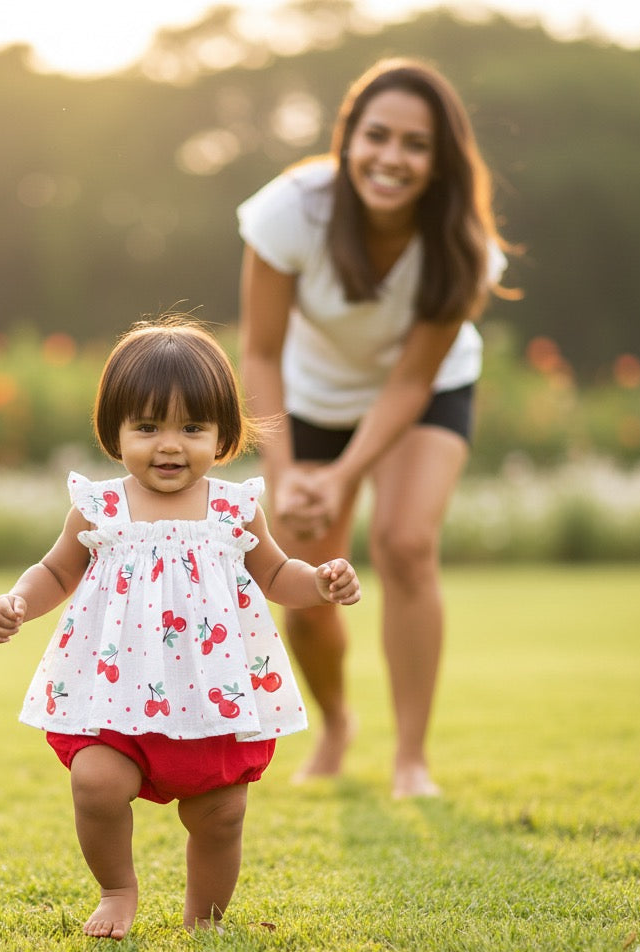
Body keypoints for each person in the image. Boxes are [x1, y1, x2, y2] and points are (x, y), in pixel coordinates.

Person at [0, 318, 361, 940]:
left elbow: (275, 574)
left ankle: (205, 920)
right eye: (148, 426)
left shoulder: (233, 508)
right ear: (115, 431)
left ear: (222, 434)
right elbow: (56, 570)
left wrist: (319, 583)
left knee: (221, 814)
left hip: (212, 698)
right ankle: (117, 888)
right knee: (97, 782)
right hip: (114, 695)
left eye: (193, 428)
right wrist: (19, 601)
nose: (170, 445)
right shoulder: (100, 507)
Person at [237, 57, 516, 799]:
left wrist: (345, 477)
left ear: (440, 159)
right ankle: (335, 723)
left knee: (405, 542)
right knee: (302, 579)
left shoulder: (462, 246)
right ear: (348, 138)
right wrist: (288, 476)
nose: (392, 158)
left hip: (423, 395)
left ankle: (411, 760)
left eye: (416, 145)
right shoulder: (292, 209)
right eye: (377, 136)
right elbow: (259, 351)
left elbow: (410, 380)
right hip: (308, 397)